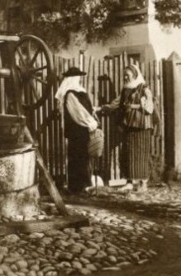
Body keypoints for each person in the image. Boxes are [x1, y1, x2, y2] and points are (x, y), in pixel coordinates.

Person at [101, 62, 154, 189]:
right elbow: (116, 103)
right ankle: (129, 182)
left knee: (141, 153)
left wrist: (133, 106)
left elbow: (149, 108)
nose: (125, 78)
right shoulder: (125, 90)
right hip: (129, 126)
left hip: (142, 126)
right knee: (128, 153)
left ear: (135, 75)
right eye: (124, 75)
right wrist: (102, 108)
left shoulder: (144, 89)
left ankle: (143, 183)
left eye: (127, 75)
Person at [54, 66, 101, 194]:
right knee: (76, 158)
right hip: (76, 131)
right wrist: (90, 122)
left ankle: (84, 185)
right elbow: (78, 113)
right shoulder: (70, 94)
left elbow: (87, 109)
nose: (78, 79)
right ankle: (76, 187)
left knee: (84, 157)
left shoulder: (81, 91)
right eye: (76, 77)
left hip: (83, 130)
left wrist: (92, 118)